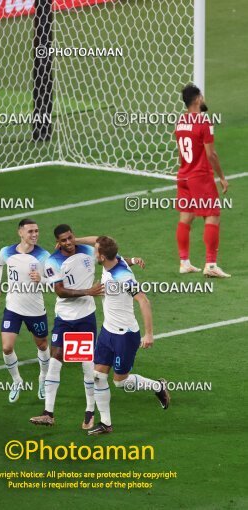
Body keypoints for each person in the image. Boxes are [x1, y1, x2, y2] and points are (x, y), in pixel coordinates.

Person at [30, 225, 143, 429]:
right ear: (57, 241)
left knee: (87, 366)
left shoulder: (90, 251)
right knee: (55, 360)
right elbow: (61, 292)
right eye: (63, 240)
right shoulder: (53, 261)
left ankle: (90, 411)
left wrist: (131, 261)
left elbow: (108, 252)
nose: (68, 242)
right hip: (64, 318)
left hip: (84, 318)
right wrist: (88, 292)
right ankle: (48, 413)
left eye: (70, 238)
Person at [88, 236, 170, 436]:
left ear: (102, 256)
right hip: (107, 331)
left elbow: (143, 301)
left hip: (125, 335)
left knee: (120, 382)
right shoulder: (115, 260)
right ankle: (106, 423)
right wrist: (73, 240)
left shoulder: (123, 277)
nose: (93, 252)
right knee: (98, 377)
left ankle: (158, 386)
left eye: (95, 250)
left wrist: (149, 334)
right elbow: (98, 239)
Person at [0, 219, 51, 403]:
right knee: (7, 347)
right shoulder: (6, 252)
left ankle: (43, 379)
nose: (35, 235)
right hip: (13, 308)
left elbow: (56, 280)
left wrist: (40, 279)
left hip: (35, 309)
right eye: (31, 231)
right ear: (20, 233)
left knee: (41, 345)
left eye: (37, 231)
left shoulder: (44, 256)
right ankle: (17, 380)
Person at [175, 84, 230, 277]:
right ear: (197, 99)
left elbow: (181, 151)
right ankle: (211, 265)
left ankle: (184, 262)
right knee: (213, 215)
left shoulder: (180, 121)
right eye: (202, 95)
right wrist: (222, 177)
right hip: (200, 177)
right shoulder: (203, 122)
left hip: (183, 175)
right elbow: (211, 154)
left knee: (186, 217)